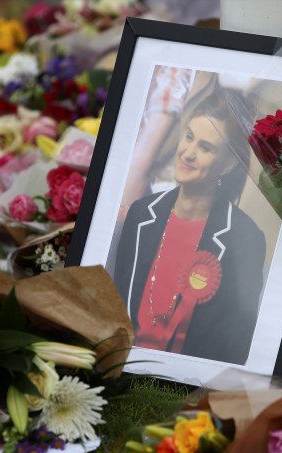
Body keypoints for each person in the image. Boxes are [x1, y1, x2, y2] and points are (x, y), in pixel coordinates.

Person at [113, 90, 265, 365]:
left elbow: (235, 346)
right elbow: (112, 306)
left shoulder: (245, 240)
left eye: (205, 148)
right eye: (189, 136)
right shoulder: (140, 214)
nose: (188, 153)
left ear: (229, 164)